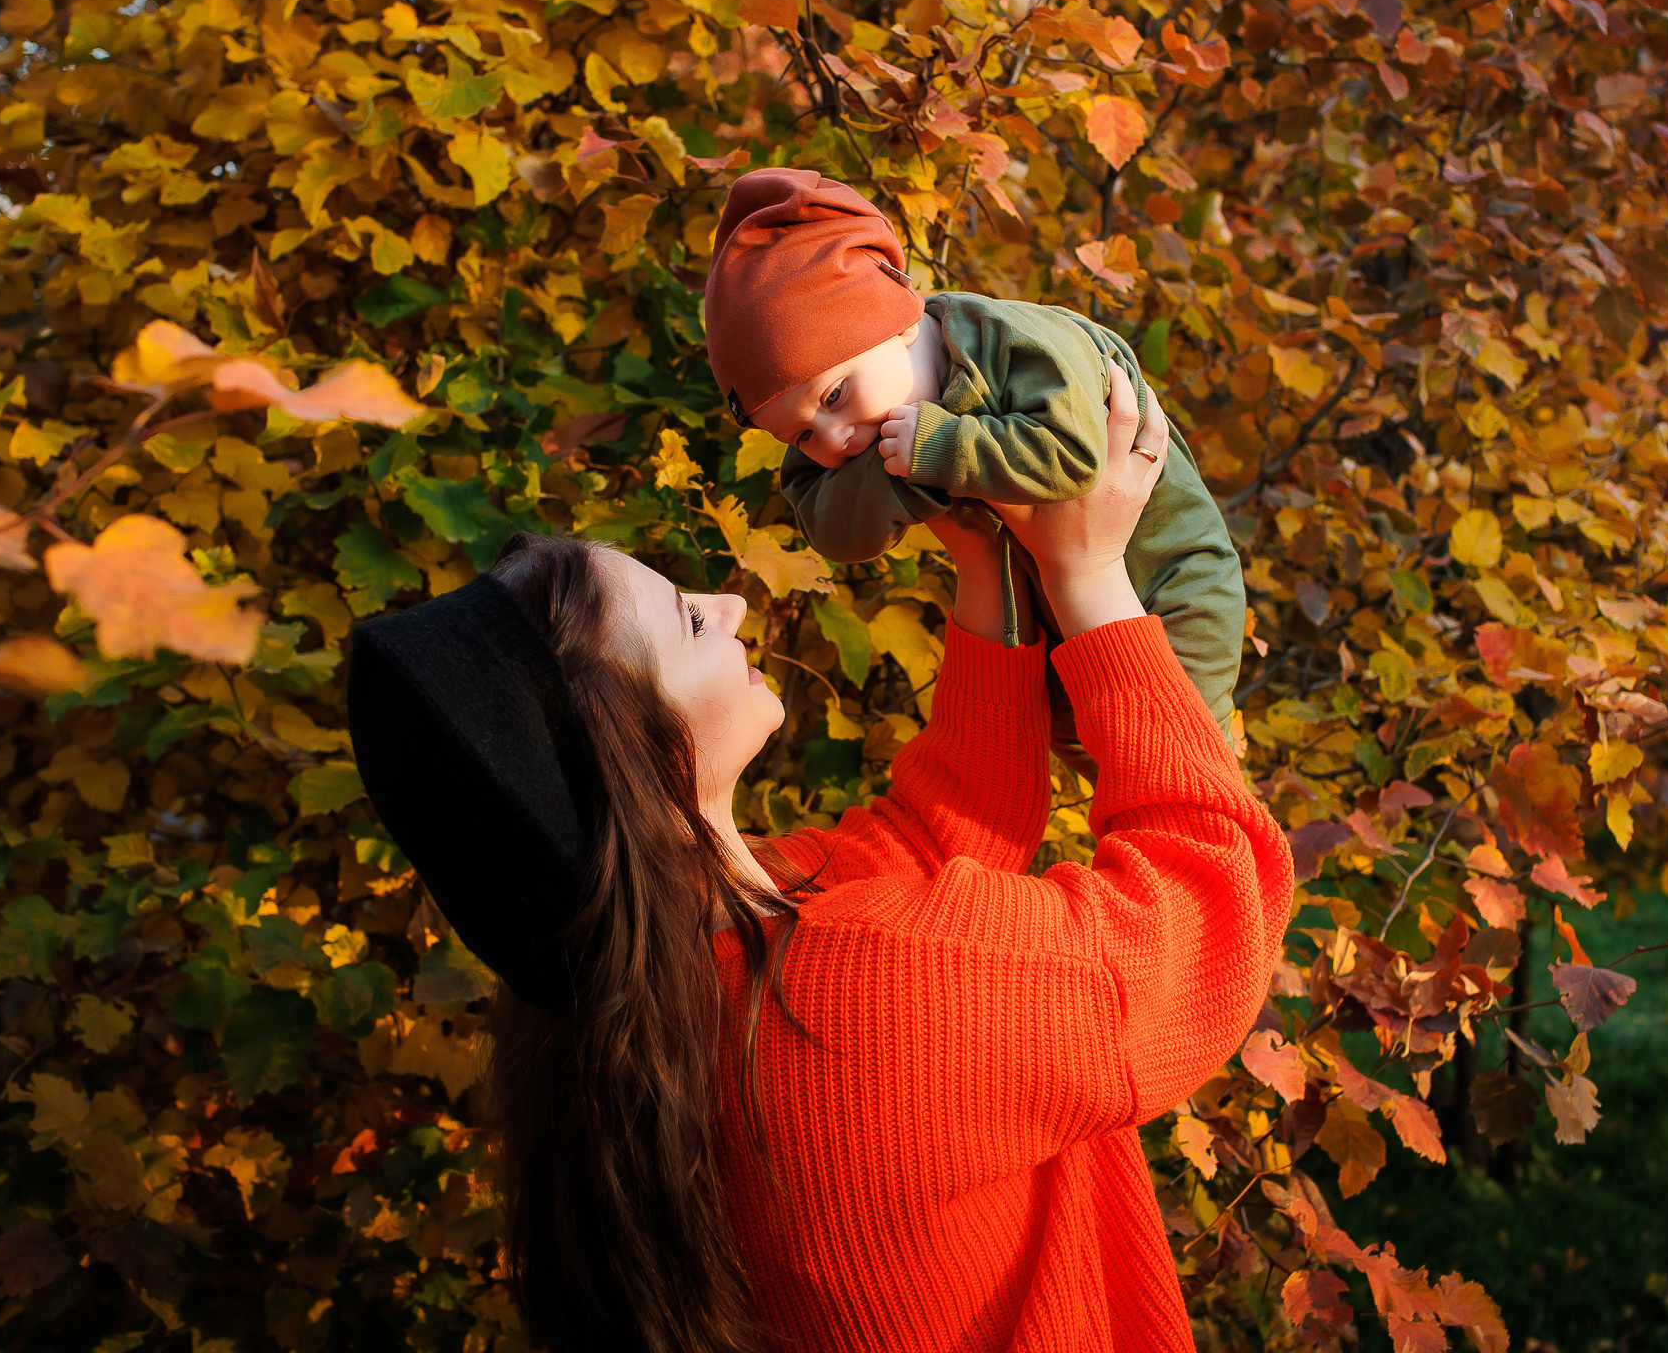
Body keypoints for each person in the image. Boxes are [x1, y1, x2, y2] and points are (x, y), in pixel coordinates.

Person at [344, 359, 1293, 1353]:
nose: (733, 605)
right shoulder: (848, 996)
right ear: (623, 752)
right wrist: (1091, 577)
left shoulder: (664, 986)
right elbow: (1212, 893)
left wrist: (985, 557)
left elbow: (939, 831)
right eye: (687, 619)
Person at [700, 166, 1249, 763]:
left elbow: (1074, 458)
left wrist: (939, 450)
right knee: (1092, 761)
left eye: (836, 397)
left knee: (1174, 762)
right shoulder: (854, 408)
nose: (834, 441)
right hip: (1052, 640)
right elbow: (828, 527)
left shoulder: (1021, 343)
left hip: (1175, 599)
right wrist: (899, 473)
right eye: (800, 435)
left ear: (900, 321)